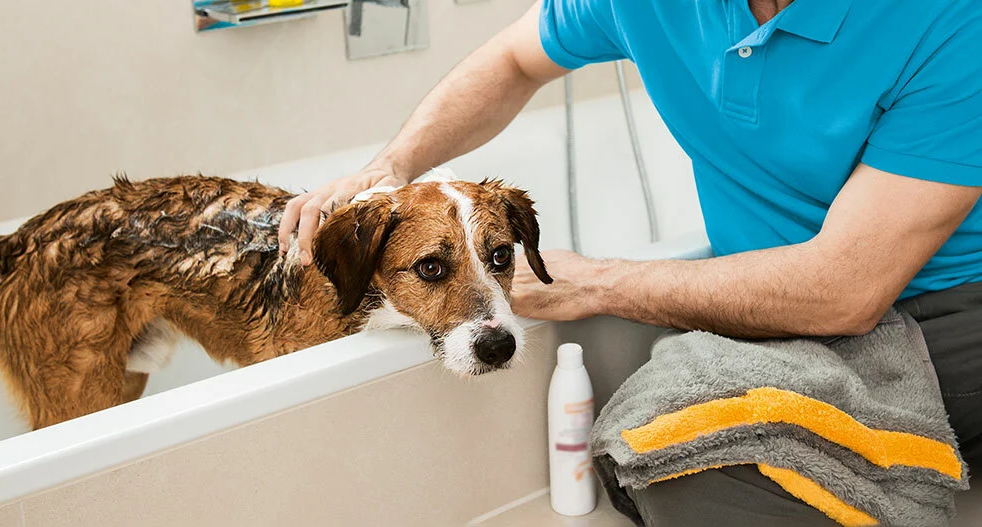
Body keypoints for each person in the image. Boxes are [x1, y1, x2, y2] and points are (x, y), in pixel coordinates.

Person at [278, 1, 982, 524]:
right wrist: (390, 167)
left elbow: (844, 291)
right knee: (680, 470)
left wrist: (595, 281)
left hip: (949, 309)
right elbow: (513, 60)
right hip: (787, 324)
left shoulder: (948, 18)